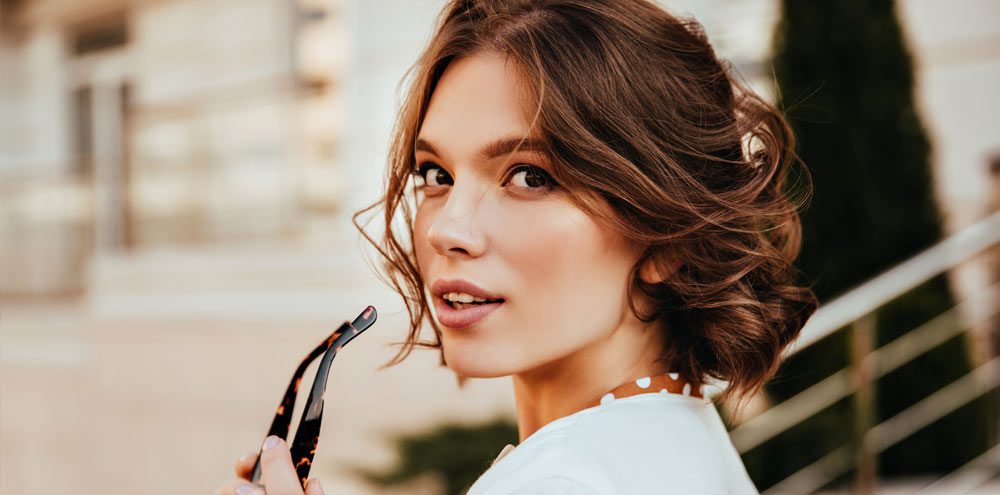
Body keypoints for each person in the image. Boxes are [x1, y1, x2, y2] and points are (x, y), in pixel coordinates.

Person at [217, 0, 818, 493]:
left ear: (670, 238)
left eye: (530, 177)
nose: (445, 230)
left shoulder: (562, 480)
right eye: (436, 175)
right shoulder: (685, 442)